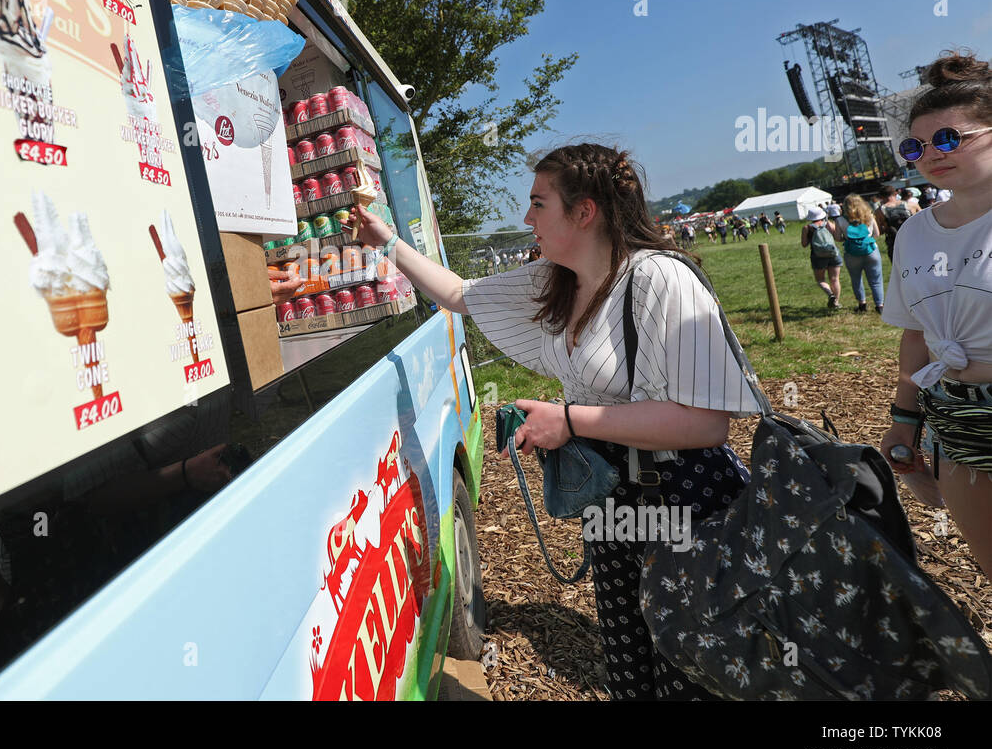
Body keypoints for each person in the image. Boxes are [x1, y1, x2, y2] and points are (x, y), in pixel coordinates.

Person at [351, 143, 763, 699]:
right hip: (617, 499)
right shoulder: (555, 278)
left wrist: (569, 420)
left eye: (538, 203)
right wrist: (387, 241)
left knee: (693, 663)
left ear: (584, 211)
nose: (526, 218)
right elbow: (458, 295)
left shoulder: (662, 280)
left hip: (684, 499)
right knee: (632, 656)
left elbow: (708, 425)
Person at [880, 48, 992, 579]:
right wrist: (905, 421)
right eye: (915, 145)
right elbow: (916, 335)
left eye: (950, 137)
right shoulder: (914, 232)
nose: (931, 153)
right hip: (957, 419)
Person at [840, 193, 884, 313]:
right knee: (876, 280)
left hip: (851, 253)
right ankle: (879, 305)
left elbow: (838, 237)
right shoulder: (869, 216)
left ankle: (862, 304)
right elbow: (876, 234)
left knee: (856, 279)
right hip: (871, 250)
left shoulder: (840, 220)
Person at [801, 205, 843, 310]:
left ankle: (830, 294)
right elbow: (837, 238)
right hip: (833, 254)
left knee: (820, 280)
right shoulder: (829, 224)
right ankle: (836, 303)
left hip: (818, 256)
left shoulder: (807, 228)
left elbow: (804, 244)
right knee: (835, 279)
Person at [875, 184, 911, 262]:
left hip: (894, 243)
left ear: (881, 197)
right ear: (895, 193)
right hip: (912, 239)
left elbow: (879, 231)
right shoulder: (910, 205)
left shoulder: (879, 211)